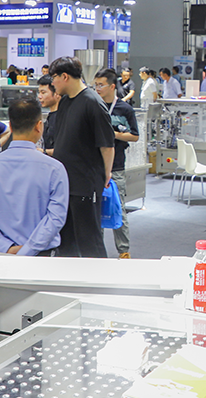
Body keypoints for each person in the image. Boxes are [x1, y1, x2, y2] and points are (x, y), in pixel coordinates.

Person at [0, 98, 69, 256]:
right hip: (43, 256)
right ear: (39, 126)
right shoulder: (55, 169)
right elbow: (55, 218)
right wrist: (27, 250)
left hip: (1, 255)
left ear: (10, 126)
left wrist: (6, 247)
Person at [48, 56, 115, 257]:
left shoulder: (92, 103)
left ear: (65, 76)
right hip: (64, 182)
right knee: (65, 238)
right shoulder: (65, 102)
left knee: (89, 239)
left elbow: (107, 145)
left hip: (85, 183)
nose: (52, 83)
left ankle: (98, 275)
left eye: (54, 78)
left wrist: (106, 173)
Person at [93, 69, 140, 259]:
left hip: (117, 167)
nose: (97, 88)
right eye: (95, 85)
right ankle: (96, 252)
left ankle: (124, 252)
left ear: (112, 86)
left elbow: (134, 136)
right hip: (94, 166)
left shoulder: (124, 109)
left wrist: (113, 134)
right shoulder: (92, 106)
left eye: (101, 85)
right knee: (95, 212)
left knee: (117, 209)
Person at [38, 75, 60, 151]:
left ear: (56, 93)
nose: (39, 96)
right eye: (39, 92)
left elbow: (64, 150)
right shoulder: (51, 116)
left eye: (43, 92)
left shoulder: (62, 118)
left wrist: (44, 152)